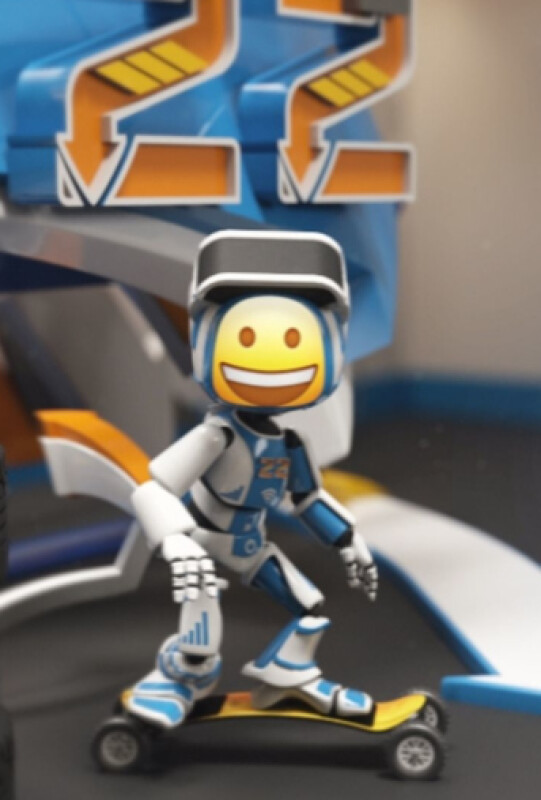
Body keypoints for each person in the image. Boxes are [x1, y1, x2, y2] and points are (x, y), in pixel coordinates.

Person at [126, 231, 378, 728]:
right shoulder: (217, 435)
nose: (271, 354)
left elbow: (308, 499)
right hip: (203, 542)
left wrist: (349, 540)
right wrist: (177, 542)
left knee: (310, 609)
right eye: (245, 337)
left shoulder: (290, 443)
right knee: (202, 637)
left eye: (293, 339)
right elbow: (153, 488)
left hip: (251, 546)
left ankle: (287, 675)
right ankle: (175, 679)